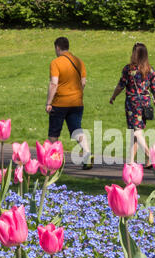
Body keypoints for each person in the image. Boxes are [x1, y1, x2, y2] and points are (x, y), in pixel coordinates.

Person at [45, 37, 93, 170]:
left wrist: (49, 102)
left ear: (57, 48)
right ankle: (87, 154)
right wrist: (77, 93)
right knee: (76, 130)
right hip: (77, 102)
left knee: (54, 134)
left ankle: (55, 162)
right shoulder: (79, 61)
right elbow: (83, 82)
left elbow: (54, 83)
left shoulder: (56, 63)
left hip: (60, 103)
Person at [109, 43, 155, 168]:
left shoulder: (129, 69)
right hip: (146, 102)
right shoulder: (150, 69)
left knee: (136, 132)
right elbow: (154, 88)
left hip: (133, 103)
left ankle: (150, 155)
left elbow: (121, 85)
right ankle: (130, 161)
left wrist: (113, 96)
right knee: (136, 131)